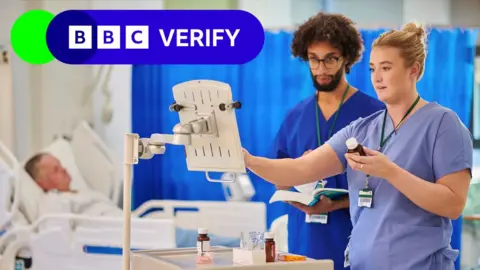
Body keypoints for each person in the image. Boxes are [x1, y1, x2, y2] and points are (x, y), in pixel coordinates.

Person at [244, 22, 473, 269]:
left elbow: (453, 204)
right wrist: (246, 159)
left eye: (386, 68)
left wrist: (390, 171)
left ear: (413, 70)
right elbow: (299, 169)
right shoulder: (362, 129)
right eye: (373, 68)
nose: (377, 77)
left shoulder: (443, 124)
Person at [266, 12, 384, 269]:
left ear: (347, 58)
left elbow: (390, 187)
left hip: (360, 245)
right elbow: (279, 177)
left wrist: (338, 203)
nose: (321, 69)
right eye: (314, 60)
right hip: (306, 246)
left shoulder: (374, 114)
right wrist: (300, 172)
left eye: (330, 59)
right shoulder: (296, 116)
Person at [24, 153, 240, 248]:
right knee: (192, 239)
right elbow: (55, 238)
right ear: (41, 181)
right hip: (122, 235)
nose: (64, 169)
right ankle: (249, 246)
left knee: (189, 234)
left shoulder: (79, 193)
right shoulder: (53, 203)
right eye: (55, 169)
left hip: (132, 226)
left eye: (61, 164)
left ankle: (248, 245)